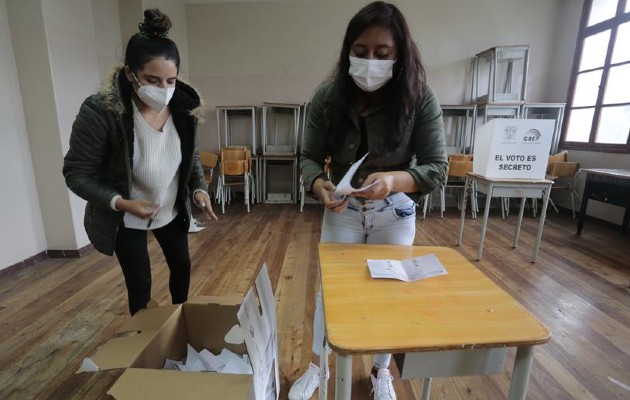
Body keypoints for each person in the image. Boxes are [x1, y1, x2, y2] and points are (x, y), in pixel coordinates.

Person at [290, 2, 447, 400]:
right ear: (347, 50)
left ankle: (381, 372)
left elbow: (436, 168)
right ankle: (318, 366)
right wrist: (318, 185)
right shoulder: (328, 95)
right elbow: (307, 157)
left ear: (400, 54)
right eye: (360, 51)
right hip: (342, 210)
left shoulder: (418, 98)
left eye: (382, 53)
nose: (370, 61)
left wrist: (394, 178)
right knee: (332, 293)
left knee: (389, 292)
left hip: (393, 213)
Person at [63, 9, 217, 315]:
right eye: (152, 80)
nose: (164, 90)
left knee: (182, 266)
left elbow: (190, 157)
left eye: (171, 80)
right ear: (130, 73)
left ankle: (179, 322)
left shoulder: (184, 109)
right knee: (140, 282)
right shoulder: (102, 112)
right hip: (126, 215)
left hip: (169, 209)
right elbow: (76, 173)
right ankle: (144, 341)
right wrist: (121, 203)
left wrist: (198, 188)